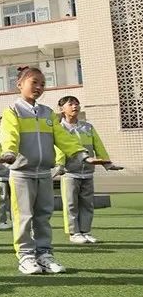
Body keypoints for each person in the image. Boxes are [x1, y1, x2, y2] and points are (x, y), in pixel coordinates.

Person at [0, 67, 109, 275]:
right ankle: (25, 256)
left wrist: (82, 154)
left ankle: (44, 254)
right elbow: (10, 134)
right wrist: (10, 152)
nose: (39, 87)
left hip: (44, 173)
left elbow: (63, 138)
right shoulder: (13, 110)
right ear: (20, 84)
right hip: (22, 173)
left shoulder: (47, 113)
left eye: (42, 84)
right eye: (34, 83)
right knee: (24, 216)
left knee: (43, 215)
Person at [53, 95, 123, 244]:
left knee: (87, 203)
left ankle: (85, 231)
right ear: (62, 109)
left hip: (88, 172)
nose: (75, 107)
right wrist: (60, 166)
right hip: (70, 173)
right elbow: (59, 149)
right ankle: (74, 233)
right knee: (71, 204)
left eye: (77, 104)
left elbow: (98, 145)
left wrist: (107, 164)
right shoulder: (59, 128)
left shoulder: (87, 127)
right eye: (71, 104)